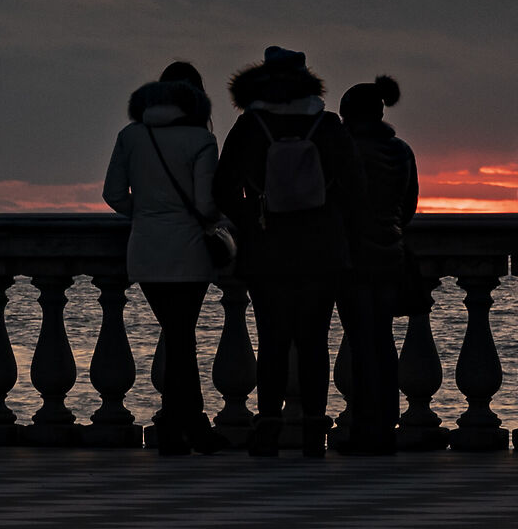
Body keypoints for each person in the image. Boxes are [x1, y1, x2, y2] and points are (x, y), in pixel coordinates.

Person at [219, 46, 365, 459]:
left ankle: (267, 426)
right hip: (321, 250)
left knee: (273, 339)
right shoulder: (328, 124)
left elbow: (224, 188)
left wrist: (255, 217)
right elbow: (356, 189)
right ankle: (313, 432)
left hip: (267, 250)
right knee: (315, 340)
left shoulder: (250, 126)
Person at [104, 61, 227, 457]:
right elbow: (207, 203)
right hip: (188, 251)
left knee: (177, 335)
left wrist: (147, 213)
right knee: (181, 335)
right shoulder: (200, 140)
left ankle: (179, 425)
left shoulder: (131, 135)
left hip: (145, 249)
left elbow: (114, 194)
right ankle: (187, 426)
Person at [340, 75, 418, 457]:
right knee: (383, 341)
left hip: (353, 257)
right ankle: (387, 426)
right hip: (391, 255)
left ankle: (364, 428)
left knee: (361, 344)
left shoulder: (345, 149)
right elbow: (410, 208)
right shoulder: (402, 150)